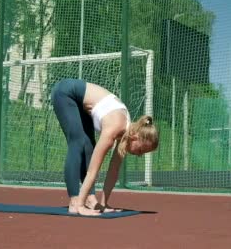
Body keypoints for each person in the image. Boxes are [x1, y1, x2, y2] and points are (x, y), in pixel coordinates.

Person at [50, 78, 159, 216]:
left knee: (89, 147)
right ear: (136, 137)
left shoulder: (127, 134)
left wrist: (104, 203)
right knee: (77, 142)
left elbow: (113, 171)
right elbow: (92, 171)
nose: (139, 155)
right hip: (65, 93)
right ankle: (75, 202)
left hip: (82, 103)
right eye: (141, 150)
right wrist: (79, 206)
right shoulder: (115, 126)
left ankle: (91, 200)